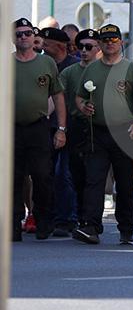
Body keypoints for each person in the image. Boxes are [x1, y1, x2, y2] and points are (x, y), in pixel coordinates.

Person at [72, 23, 133, 245]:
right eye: (105, 40)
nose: (109, 44)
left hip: (125, 132)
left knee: (125, 183)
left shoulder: (131, 68)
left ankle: (126, 229)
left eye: (113, 40)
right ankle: (91, 226)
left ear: (121, 43)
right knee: (94, 180)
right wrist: (84, 106)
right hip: (98, 133)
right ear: (99, 44)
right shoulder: (91, 69)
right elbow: (79, 96)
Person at [12, 18, 66, 241]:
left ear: (34, 37)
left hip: (39, 127)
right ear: (13, 38)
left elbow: (58, 96)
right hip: (11, 129)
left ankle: (43, 222)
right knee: (13, 178)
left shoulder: (46, 63)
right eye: (19, 34)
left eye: (27, 33)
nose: (23, 37)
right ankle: (13, 225)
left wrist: (61, 128)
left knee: (42, 175)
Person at [59, 29, 102, 230]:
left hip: (99, 125)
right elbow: (57, 97)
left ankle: (91, 218)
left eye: (89, 47)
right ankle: (80, 215)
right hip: (76, 125)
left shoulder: (106, 70)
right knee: (76, 173)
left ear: (98, 48)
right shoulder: (69, 72)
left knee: (95, 174)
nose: (84, 51)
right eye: (80, 47)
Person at [41, 26, 80, 237]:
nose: (43, 48)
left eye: (46, 45)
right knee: (46, 174)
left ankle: (67, 219)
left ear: (59, 46)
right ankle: (48, 217)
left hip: (69, 128)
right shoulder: (42, 64)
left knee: (63, 173)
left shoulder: (74, 67)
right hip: (45, 127)